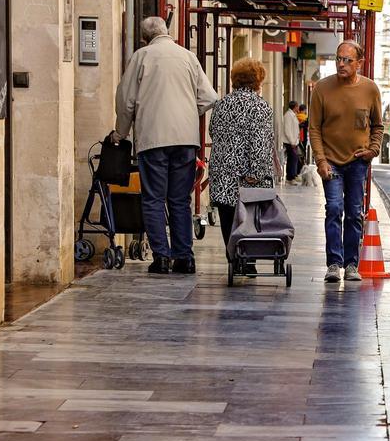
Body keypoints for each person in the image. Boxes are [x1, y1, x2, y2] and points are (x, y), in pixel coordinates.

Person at [115, 16, 218, 275]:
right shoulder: (188, 57)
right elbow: (209, 96)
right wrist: (188, 112)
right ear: (166, 31)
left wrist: (121, 133)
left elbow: (126, 101)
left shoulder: (141, 57)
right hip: (185, 139)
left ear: (144, 38)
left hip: (153, 138)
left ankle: (161, 257)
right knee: (180, 200)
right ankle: (184, 257)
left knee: (153, 199)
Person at [308, 41, 384, 283]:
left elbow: (378, 126)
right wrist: (320, 160)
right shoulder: (322, 88)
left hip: (357, 162)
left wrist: (373, 150)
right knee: (333, 209)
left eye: (347, 60)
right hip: (330, 161)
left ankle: (351, 264)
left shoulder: (370, 89)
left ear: (359, 63)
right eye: (338, 59)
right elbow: (314, 128)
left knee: (353, 213)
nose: (341, 64)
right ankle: (334, 263)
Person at [207, 58, 276, 264]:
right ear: (258, 81)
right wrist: (256, 173)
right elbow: (260, 143)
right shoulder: (260, 107)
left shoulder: (221, 104)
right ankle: (247, 259)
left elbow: (213, 132)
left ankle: (233, 258)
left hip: (222, 173)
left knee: (227, 217)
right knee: (249, 219)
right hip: (246, 179)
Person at [282, 100, 301, 181]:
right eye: (297, 106)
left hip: (294, 141)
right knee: (293, 158)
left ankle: (292, 175)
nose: (298, 108)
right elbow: (287, 130)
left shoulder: (293, 115)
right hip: (290, 142)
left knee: (293, 159)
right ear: (295, 107)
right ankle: (291, 177)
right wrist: (292, 142)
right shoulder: (288, 115)